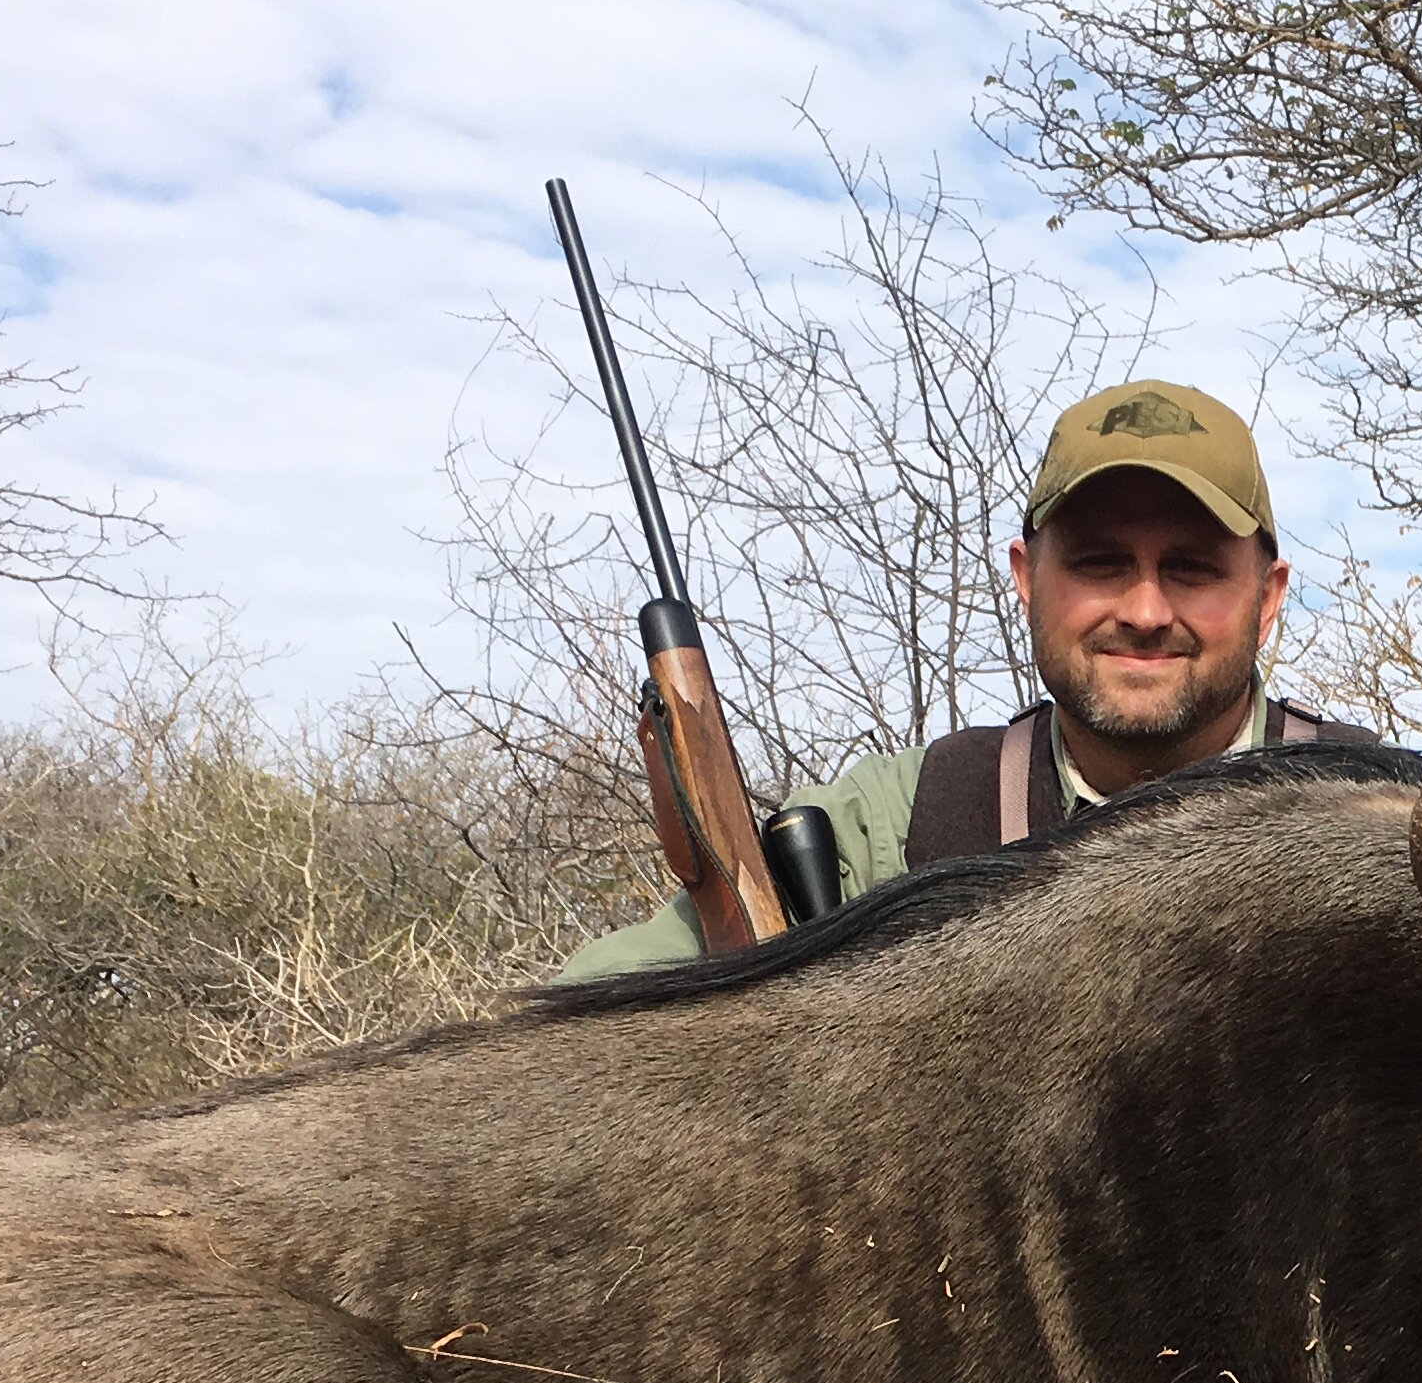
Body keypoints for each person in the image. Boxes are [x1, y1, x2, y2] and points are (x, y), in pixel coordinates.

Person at [558, 380, 1375, 976]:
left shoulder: (1389, 825)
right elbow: (589, 1014)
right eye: (1101, 563)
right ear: (1026, 579)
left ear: (1267, 597)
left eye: (1192, 569)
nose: (1146, 609)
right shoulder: (901, 825)